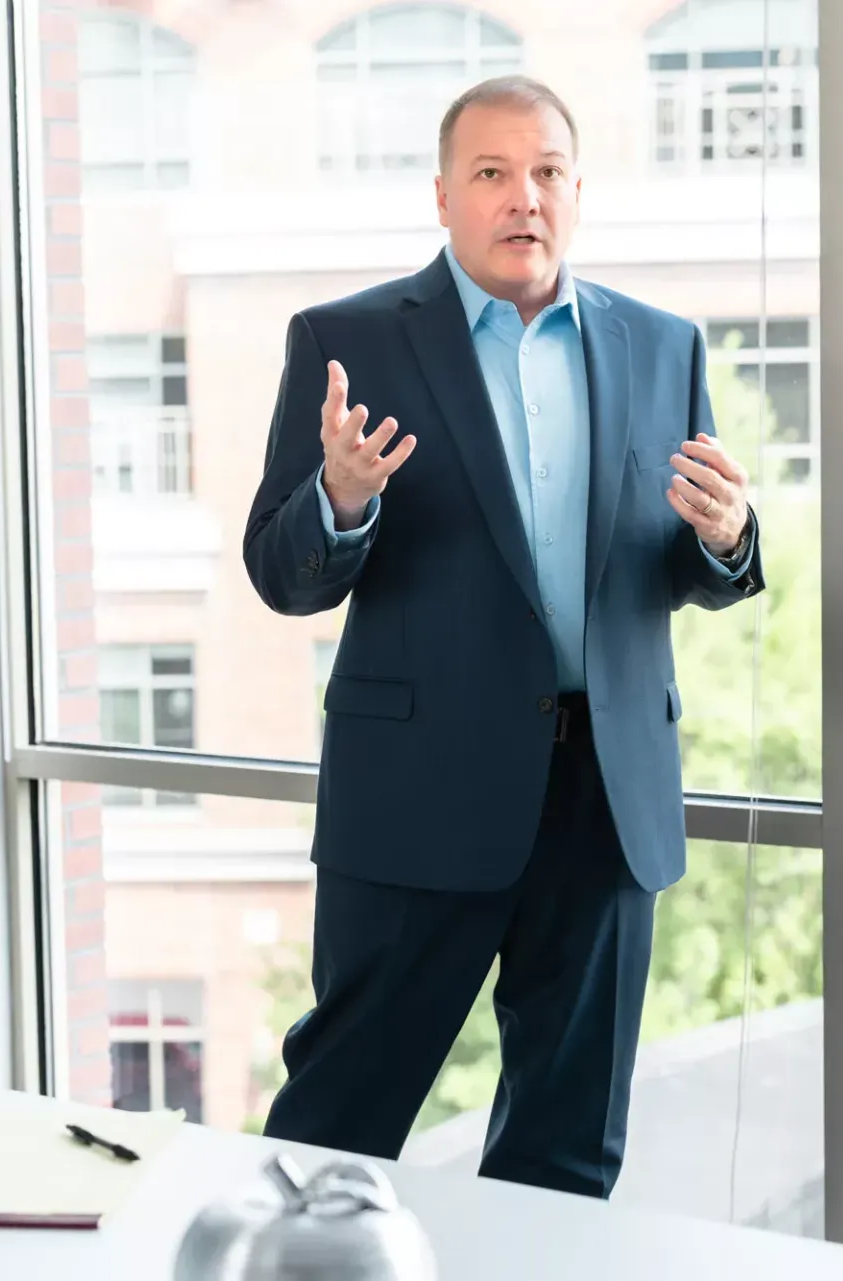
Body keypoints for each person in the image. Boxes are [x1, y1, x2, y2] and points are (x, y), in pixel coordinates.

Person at [242, 75, 765, 1199]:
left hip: (604, 801)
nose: (521, 196)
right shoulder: (351, 343)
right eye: (491, 173)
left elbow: (677, 565)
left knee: (568, 1152)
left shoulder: (662, 348)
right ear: (444, 195)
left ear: (578, 191)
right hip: (420, 795)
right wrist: (339, 499)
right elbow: (281, 577)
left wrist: (727, 535)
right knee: (334, 1124)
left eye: (546, 172)